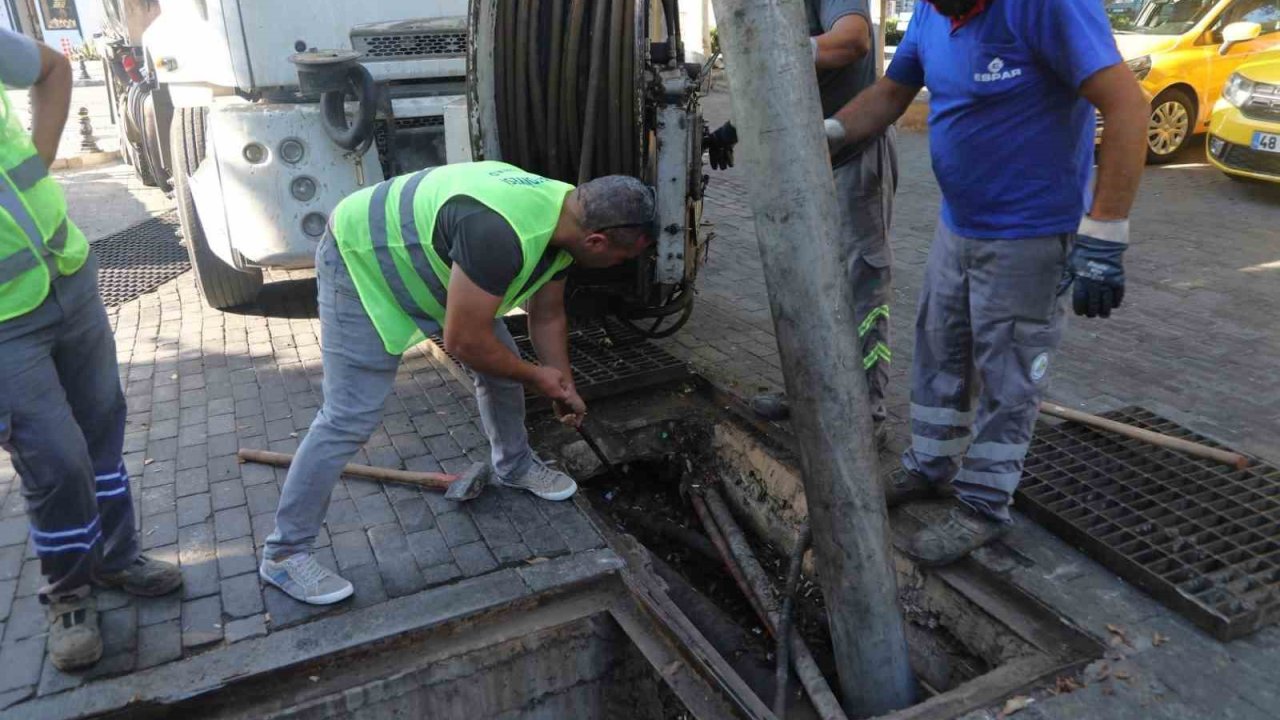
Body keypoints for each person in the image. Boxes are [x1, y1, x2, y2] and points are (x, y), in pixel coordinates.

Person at [825, 0, 1148, 565]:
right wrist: (827, 132)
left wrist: (1105, 232)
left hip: (1030, 234)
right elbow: (891, 92)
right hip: (960, 225)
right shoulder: (932, 13)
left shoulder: (1048, 8)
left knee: (1009, 373)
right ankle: (929, 465)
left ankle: (982, 504)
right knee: (940, 348)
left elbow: (1127, 107)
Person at [261, 161, 655, 605]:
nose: (618, 265)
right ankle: (284, 554)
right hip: (363, 259)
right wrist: (535, 375)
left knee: (502, 373)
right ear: (596, 241)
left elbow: (547, 314)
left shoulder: (570, 214)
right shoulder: (502, 234)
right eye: (620, 259)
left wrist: (563, 385)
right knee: (348, 417)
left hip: (433, 263)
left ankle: (515, 465)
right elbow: (464, 341)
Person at [0, 28, 183, 671]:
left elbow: (52, 70)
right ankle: (68, 592)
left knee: (102, 429)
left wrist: (40, 164)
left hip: (67, 274)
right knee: (55, 461)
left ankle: (115, 555)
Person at [747, 0, 898, 451]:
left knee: (859, 287)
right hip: (804, 162)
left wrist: (779, 50)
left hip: (852, 158)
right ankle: (812, 397)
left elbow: (852, 41)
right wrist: (736, 127)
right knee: (806, 286)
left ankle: (867, 413)